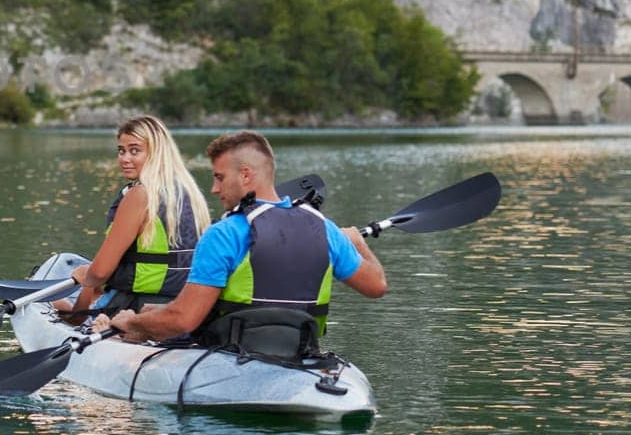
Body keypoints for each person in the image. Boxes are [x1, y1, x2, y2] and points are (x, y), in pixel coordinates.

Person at [95, 130, 387, 346]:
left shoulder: (224, 233)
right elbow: (376, 286)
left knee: (134, 326)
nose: (213, 188)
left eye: (219, 177)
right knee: (151, 311)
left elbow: (183, 320)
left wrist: (129, 321)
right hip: (299, 351)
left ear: (245, 176)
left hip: (230, 354)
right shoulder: (325, 229)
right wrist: (358, 244)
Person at [60, 115, 212, 317]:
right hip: (182, 308)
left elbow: (100, 272)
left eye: (135, 151)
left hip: (136, 306)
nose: (124, 158)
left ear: (156, 153)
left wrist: (85, 278)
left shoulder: (140, 195)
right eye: (121, 151)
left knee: (57, 304)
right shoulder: (189, 193)